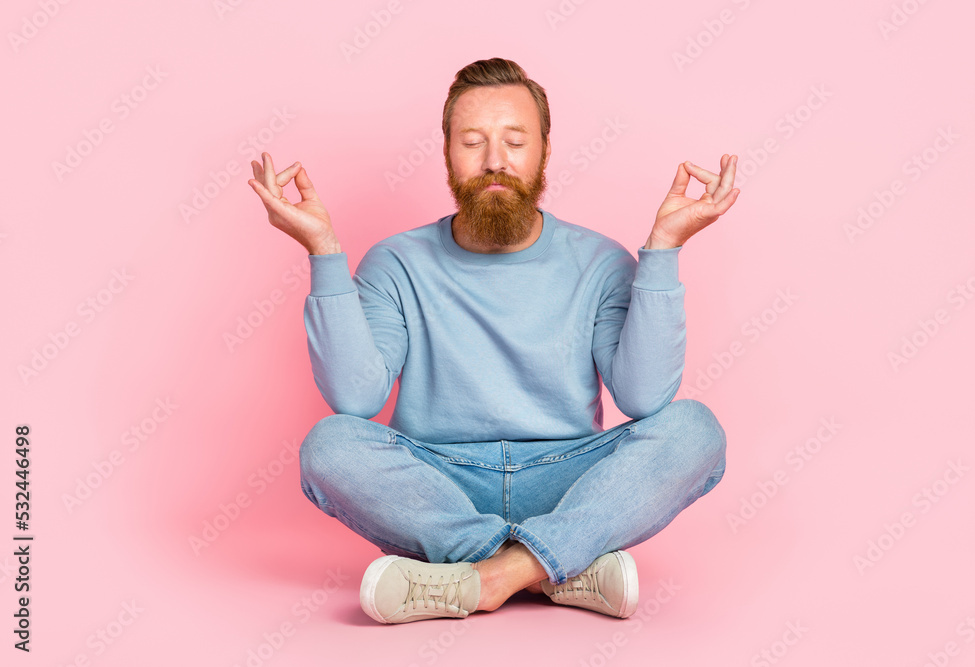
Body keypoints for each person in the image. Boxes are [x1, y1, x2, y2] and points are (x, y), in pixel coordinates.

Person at [248, 57, 740, 625]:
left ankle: (490, 577)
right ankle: (558, 567)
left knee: (693, 428)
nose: (495, 161)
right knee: (329, 446)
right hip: (441, 486)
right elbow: (355, 402)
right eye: (472, 141)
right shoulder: (396, 262)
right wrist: (324, 253)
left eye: (515, 140)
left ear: (544, 152)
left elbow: (646, 398)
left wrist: (664, 251)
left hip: (565, 476)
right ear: (447, 153)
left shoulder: (602, 262)